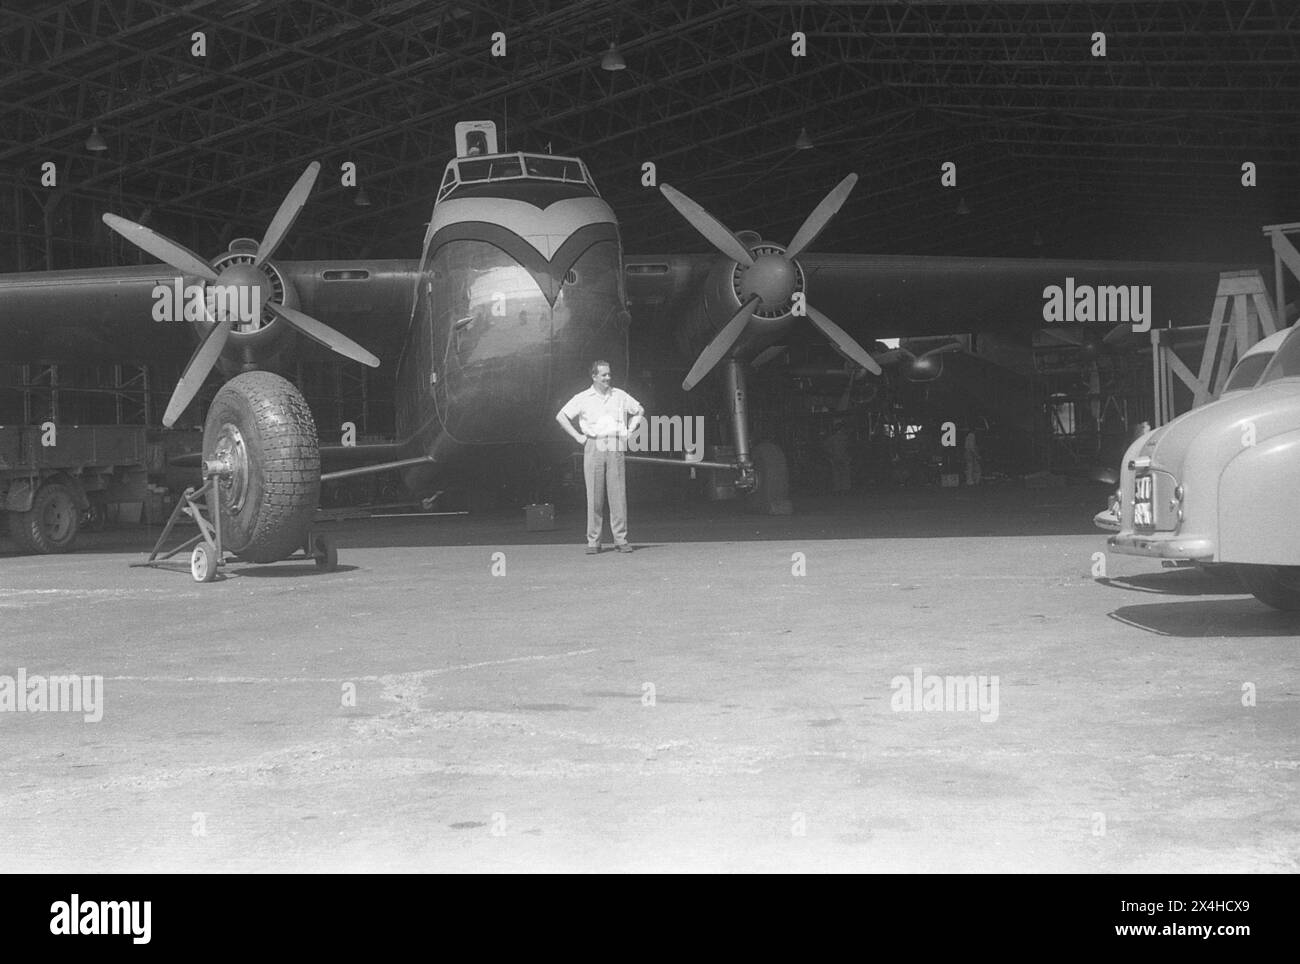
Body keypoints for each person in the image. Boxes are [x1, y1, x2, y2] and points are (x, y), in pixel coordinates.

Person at [555, 361, 644, 554]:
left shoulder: (619, 395)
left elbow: (639, 410)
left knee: (617, 493)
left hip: (614, 443)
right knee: (594, 495)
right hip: (594, 444)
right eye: (603, 375)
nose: (608, 378)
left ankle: (621, 539)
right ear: (594, 377)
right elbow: (561, 416)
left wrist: (629, 430)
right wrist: (578, 436)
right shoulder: (583, 398)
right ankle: (593, 541)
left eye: (609, 374)